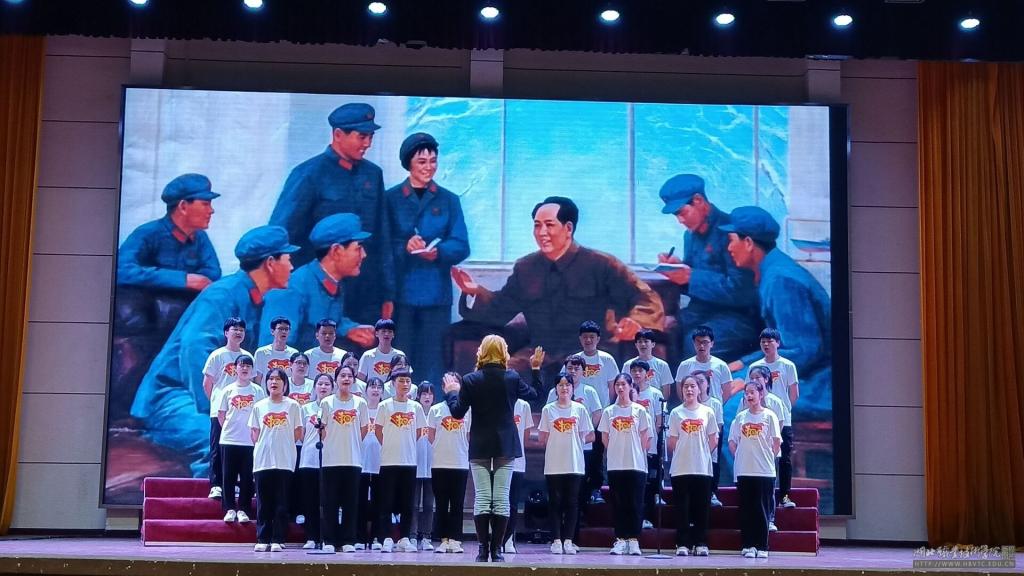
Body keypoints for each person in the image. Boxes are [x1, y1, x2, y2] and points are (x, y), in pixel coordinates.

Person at [130, 225, 298, 479]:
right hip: (172, 396)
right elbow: (194, 349)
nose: (292, 266)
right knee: (221, 439)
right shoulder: (222, 295)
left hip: (197, 396)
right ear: (271, 263)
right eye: (288, 258)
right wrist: (215, 410)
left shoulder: (250, 296)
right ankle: (211, 499)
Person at [452, 196, 664, 370]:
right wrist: (475, 291)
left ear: (568, 228)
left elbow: (646, 297)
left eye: (549, 225)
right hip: (540, 354)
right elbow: (500, 309)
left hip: (591, 355)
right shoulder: (526, 267)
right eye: (537, 226)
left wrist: (635, 323)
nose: (541, 233)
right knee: (498, 380)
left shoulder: (601, 264)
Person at [269, 102, 394, 325]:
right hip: (321, 293)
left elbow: (382, 239)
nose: (367, 144)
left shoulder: (373, 175)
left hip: (366, 294)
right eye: (361, 136)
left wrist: (388, 293)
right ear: (338, 134)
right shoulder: (308, 174)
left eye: (370, 137)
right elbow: (281, 235)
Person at [720, 206, 831, 418]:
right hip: (799, 372)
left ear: (748, 243)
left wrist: (752, 378)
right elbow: (783, 345)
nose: (729, 248)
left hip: (818, 384)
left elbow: (803, 351)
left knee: (732, 411)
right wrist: (742, 363)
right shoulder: (774, 269)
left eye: (732, 240)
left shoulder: (781, 280)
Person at [441, 335, 545, 563]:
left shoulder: (470, 380)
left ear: (482, 351)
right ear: (503, 353)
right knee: (501, 498)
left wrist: (451, 392)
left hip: (480, 444)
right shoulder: (512, 377)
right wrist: (536, 369)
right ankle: (497, 550)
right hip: (505, 444)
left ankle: (482, 550)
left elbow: (457, 412)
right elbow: (536, 396)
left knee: (482, 497)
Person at [386, 133, 470, 386]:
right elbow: (380, 246)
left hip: (436, 296)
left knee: (433, 363)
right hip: (401, 296)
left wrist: (439, 252)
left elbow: (461, 245)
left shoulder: (449, 200)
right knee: (400, 360)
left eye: (433, 161)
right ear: (408, 163)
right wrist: (404, 247)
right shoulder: (390, 199)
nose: (429, 167)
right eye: (422, 162)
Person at [655, 174, 761, 361]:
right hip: (701, 312)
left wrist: (691, 277)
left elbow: (741, 290)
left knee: (695, 343)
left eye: (682, 212)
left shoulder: (732, 230)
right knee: (659, 331)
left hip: (738, 317)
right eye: (676, 215)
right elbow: (692, 279)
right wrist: (677, 270)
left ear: (698, 200)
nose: (680, 220)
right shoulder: (690, 236)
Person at [262, 213, 376, 350]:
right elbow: (275, 346)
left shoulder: (333, 281)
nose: (364, 254)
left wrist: (349, 329)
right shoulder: (292, 288)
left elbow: (331, 319)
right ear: (336, 251)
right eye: (358, 248)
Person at [117, 173, 221, 292]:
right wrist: (182, 280)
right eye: (205, 204)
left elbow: (213, 272)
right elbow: (121, 270)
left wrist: (195, 281)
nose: (211, 210)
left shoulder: (200, 236)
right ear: (183, 206)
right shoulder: (147, 233)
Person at [538, 373, 594, 556]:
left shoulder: (580, 409)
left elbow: (589, 435)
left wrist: (574, 442)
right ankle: (556, 540)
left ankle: (568, 540)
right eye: (561, 385)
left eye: (567, 385)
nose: (564, 388)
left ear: (572, 388)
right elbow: (542, 437)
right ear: (556, 388)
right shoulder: (548, 410)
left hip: (574, 463)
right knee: (555, 502)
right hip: (554, 463)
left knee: (572, 502)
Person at [249, 367, 303, 552]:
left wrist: (282, 443)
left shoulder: (293, 406)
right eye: (270, 379)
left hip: (285, 460)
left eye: (278, 379)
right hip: (263, 460)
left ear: (285, 384)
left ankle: (278, 539)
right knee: (264, 503)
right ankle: (262, 538)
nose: (274, 382)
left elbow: (298, 432)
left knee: (282, 503)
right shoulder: (259, 406)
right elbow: (254, 433)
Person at [374, 366, 427, 553]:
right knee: (386, 502)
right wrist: (390, 444)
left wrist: (407, 444)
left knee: (407, 503)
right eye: (401, 381)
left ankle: (404, 538)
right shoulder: (384, 405)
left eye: (408, 381)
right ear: (393, 384)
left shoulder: (416, 407)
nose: (405, 384)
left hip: (409, 461)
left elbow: (420, 431)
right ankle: (386, 538)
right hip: (388, 461)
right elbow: (378, 430)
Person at [319, 364, 370, 553]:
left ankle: (349, 540)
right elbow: (322, 429)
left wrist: (351, 441)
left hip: (353, 459)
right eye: (342, 375)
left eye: (349, 376)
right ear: (336, 380)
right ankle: (329, 540)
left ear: (354, 380)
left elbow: (364, 429)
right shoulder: (327, 403)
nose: (346, 379)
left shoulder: (360, 403)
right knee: (330, 502)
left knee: (350, 503)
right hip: (331, 459)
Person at [599, 373, 651, 556]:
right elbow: (605, 437)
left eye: (623, 384)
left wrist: (634, 451)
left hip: (636, 464)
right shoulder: (609, 412)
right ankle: (620, 539)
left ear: (630, 386)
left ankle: (634, 540)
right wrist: (616, 450)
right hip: (615, 464)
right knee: (618, 503)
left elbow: (646, 437)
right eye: (617, 385)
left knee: (635, 503)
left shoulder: (640, 411)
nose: (620, 388)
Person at [729, 380, 782, 559]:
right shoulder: (740, 418)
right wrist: (741, 457)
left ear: (761, 394)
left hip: (764, 471)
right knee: (747, 509)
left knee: (761, 509)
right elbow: (732, 442)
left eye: (753, 392)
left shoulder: (769, 416)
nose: (749, 395)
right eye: (747, 392)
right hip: (744, 470)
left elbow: (776, 442)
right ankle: (748, 545)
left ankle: (762, 545)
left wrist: (767, 458)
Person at [667, 374, 719, 557]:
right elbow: (672, 441)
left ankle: (700, 542)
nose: (689, 390)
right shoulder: (676, 413)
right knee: (682, 507)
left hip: (702, 468)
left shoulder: (707, 412)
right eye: (686, 386)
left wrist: (701, 452)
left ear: (699, 389)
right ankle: (682, 543)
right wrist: (685, 452)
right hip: (681, 467)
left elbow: (713, 439)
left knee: (701, 507)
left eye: (692, 386)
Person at [747, 329, 799, 509]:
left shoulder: (787, 365)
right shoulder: (754, 367)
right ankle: (760, 498)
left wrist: (783, 411)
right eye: (763, 341)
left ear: (778, 343)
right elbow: (749, 390)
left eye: (769, 341)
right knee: (760, 457)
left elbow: (794, 394)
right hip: (758, 420)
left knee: (784, 458)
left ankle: (784, 496)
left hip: (782, 420)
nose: (766, 344)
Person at [201, 318, 251, 500]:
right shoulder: (217, 355)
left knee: (239, 450)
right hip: (220, 411)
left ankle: (236, 484)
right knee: (217, 447)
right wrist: (218, 403)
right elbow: (207, 383)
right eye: (234, 329)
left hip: (242, 412)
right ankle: (216, 485)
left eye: (241, 330)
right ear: (226, 333)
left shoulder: (248, 357)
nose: (238, 332)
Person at [217, 355, 265, 525]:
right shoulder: (227, 390)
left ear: (252, 370)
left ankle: (244, 509)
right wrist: (231, 429)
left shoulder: (258, 391)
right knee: (228, 476)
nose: (244, 369)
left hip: (250, 441)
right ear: (235, 368)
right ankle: (229, 508)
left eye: (248, 366)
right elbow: (221, 415)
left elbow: (262, 415)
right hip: (229, 439)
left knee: (247, 476)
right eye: (241, 365)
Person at [427, 374, 470, 554]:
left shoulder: (467, 409)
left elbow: (469, 435)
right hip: (440, 463)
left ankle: (456, 539)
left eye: (455, 382)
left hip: (460, 463)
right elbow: (430, 435)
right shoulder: (435, 410)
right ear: (443, 387)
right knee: (442, 504)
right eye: (448, 382)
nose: (452, 385)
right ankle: (443, 539)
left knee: (457, 503)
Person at [298, 373, 334, 550]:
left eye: (327, 384)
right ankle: (311, 536)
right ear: (314, 388)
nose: (323, 387)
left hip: (330, 459)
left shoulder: (335, 408)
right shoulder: (306, 409)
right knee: (310, 500)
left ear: (332, 388)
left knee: (328, 501)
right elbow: (301, 434)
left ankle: (327, 537)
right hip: (309, 458)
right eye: (320, 384)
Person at [628, 360, 664, 529]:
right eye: (634, 370)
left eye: (640, 371)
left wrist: (647, 441)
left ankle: (648, 518)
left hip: (649, 446)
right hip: (629, 447)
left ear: (647, 374)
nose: (637, 374)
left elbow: (659, 421)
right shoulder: (626, 392)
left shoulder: (655, 394)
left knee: (649, 485)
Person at [357, 377, 385, 551]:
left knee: (379, 502)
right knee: (359, 501)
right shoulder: (360, 409)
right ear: (366, 390)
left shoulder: (386, 409)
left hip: (380, 462)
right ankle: (359, 537)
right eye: (372, 386)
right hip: (360, 461)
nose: (375, 390)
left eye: (379, 387)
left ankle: (377, 537)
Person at [504, 393, 534, 554]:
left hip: (517, 462)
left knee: (513, 503)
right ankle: (496, 538)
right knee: (497, 502)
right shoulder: (497, 400)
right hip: (498, 461)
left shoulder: (523, 406)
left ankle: (509, 539)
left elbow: (527, 435)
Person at [675, 325, 735, 404]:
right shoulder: (684, 365)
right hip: (691, 408)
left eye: (705, 342)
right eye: (698, 342)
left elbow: (727, 391)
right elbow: (680, 388)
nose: (701, 346)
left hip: (714, 408)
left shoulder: (721, 365)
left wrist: (717, 406)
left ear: (712, 344)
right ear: (694, 343)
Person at [692, 371, 725, 508]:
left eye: (701, 381)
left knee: (713, 465)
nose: (698, 384)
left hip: (710, 441)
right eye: (695, 382)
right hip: (693, 442)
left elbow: (719, 426)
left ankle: (712, 493)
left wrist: (710, 442)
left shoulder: (715, 403)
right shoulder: (689, 403)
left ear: (708, 384)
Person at [411, 382, 436, 551]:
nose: (427, 397)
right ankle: (412, 535)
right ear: (418, 396)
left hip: (433, 463)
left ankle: (426, 536)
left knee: (428, 504)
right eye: (424, 394)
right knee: (413, 503)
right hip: (415, 461)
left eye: (430, 394)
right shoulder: (413, 412)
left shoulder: (437, 413)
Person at [622, 328, 675, 404]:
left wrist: (660, 405)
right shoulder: (628, 365)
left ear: (653, 344)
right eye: (640, 342)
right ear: (636, 345)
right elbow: (624, 386)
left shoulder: (662, 365)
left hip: (656, 404)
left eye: (646, 341)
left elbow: (666, 390)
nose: (643, 344)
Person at [254, 317, 297, 385]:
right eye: (280, 329)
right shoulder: (261, 352)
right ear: (272, 331)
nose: (284, 332)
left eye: (286, 329)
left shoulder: (294, 354)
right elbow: (257, 379)